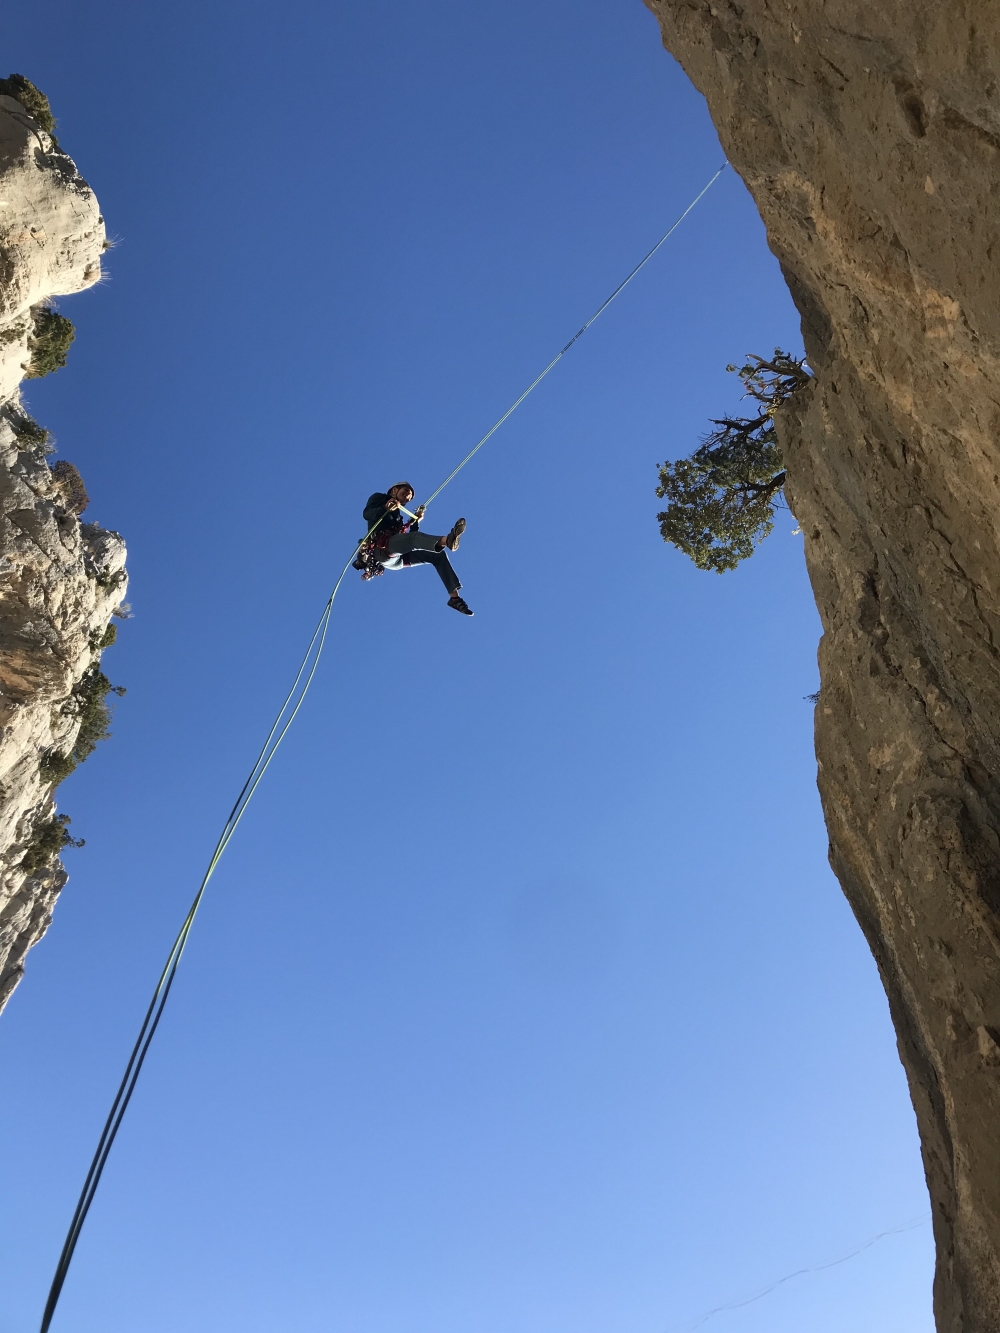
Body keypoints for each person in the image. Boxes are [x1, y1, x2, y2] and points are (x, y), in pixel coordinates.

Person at [355, 482, 474, 615]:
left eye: (410, 497)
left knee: (438, 556)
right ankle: (447, 540)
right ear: (394, 490)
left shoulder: (398, 516)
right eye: (406, 492)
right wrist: (385, 507)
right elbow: (367, 514)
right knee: (414, 539)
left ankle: (455, 599)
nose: (408, 496)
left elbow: (408, 538)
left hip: (397, 558)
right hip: (382, 549)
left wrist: (415, 521)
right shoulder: (379, 498)